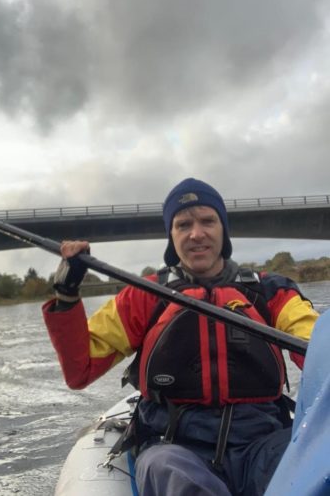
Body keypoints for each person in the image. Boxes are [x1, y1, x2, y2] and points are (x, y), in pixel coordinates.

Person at [43, 178, 319, 496]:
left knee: (310, 464)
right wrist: (66, 297)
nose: (196, 233)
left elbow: (315, 344)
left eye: (207, 221)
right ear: (171, 236)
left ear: (222, 230)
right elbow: (81, 369)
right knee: (167, 469)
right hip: (176, 445)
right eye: (183, 224)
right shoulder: (143, 295)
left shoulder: (271, 291)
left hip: (261, 443)